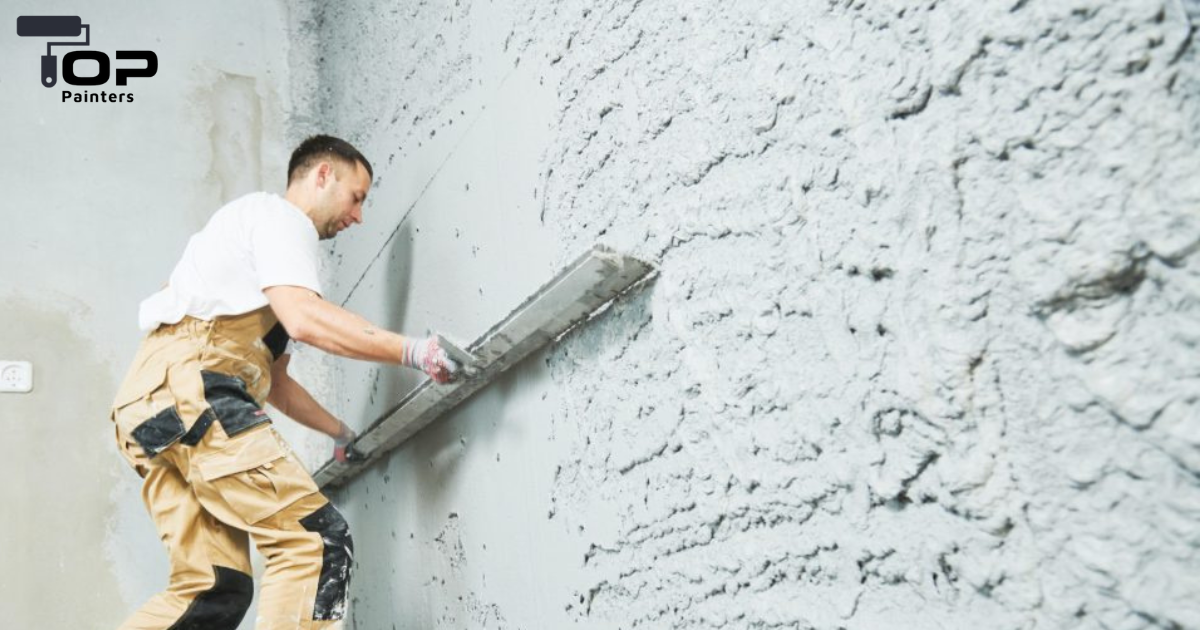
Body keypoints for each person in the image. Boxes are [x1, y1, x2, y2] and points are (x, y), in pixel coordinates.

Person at [110, 135, 459, 629]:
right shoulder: (279, 219)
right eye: (357, 197)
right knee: (312, 542)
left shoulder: (253, 257)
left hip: (152, 408)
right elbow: (305, 320)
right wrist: (414, 351)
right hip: (191, 389)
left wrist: (340, 433)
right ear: (322, 176)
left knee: (214, 587)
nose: (358, 216)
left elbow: (275, 383)